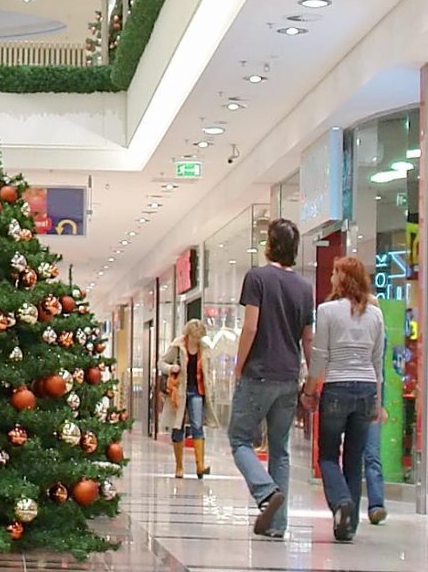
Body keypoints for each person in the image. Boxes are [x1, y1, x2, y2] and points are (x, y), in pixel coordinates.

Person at [229, 218, 312, 537]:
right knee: (280, 448)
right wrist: (312, 378)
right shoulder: (305, 288)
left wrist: (239, 366)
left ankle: (265, 492)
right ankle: (277, 525)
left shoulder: (257, 278)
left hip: (259, 373)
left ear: (271, 245)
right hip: (289, 376)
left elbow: (251, 326)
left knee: (239, 439)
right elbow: (308, 338)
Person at [307, 253, 386, 543]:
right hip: (366, 389)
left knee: (327, 455)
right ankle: (348, 526)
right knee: (354, 459)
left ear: (342, 278)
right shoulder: (376, 315)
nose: (330, 278)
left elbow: (320, 355)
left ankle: (341, 502)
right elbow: (378, 361)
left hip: (337, 387)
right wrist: (377, 401)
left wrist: (310, 389)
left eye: (334, 273)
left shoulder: (327, 311)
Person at [162, 316, 209, 478]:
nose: (196, 340)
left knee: (197, 426)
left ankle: (200, 466)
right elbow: (161, 362)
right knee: (178, 428)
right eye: (194, 336)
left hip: (197, 391)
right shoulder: (177, 346)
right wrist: (171, 368)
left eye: (199, 337)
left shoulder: (204, 348)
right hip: (179, 392)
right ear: (188, 334)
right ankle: (179, 466)